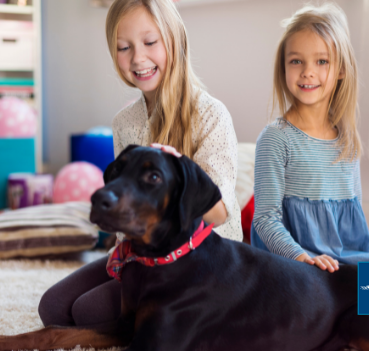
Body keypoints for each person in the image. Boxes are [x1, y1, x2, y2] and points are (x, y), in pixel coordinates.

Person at [38, 0, 242, 329]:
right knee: (54, 307)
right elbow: (125, 210)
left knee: (88, 313)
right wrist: (122, 260)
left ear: (174, 40)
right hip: (142, 252)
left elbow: (219, 214)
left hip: (199, 260)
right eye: (123, 47)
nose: (137, 58)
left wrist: (178, 169)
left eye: (150, 42)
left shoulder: (211, 115)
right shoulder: (125, 122)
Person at [251, 2, 369, 276]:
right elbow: (265, 220)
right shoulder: (275, 139)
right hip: (295, 264)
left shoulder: (347, 140)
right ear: (283, 67)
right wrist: (302, 257)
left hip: (342, 261)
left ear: (342, 70)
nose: (308, 71)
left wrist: (362, 262)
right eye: (296, 61)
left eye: (321, 61)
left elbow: (354, 226)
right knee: (353, 297)